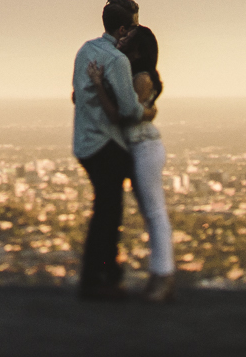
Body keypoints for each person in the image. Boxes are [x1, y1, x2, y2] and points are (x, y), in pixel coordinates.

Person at [89, 23, 174, 302]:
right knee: (150, 211)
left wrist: (99, 86)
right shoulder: (135, 75)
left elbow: (124, 115)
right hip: (137, 148)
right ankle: (160, 277)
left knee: (154, 211)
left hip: (144, 147)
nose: (121, 42)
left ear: (139, 50)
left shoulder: (141, 78)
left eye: (128, 40)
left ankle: (163, 276)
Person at [70, 0, 147, 300]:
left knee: (103, 210)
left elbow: (76, 94)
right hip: (106, 143)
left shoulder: (86, 50)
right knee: (108, 215)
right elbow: (129, 109)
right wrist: (146, 110)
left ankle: (97, 275)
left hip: (84, 141)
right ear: (124, 29)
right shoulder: (116, 60)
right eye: (134, 27)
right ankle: (100, 278)